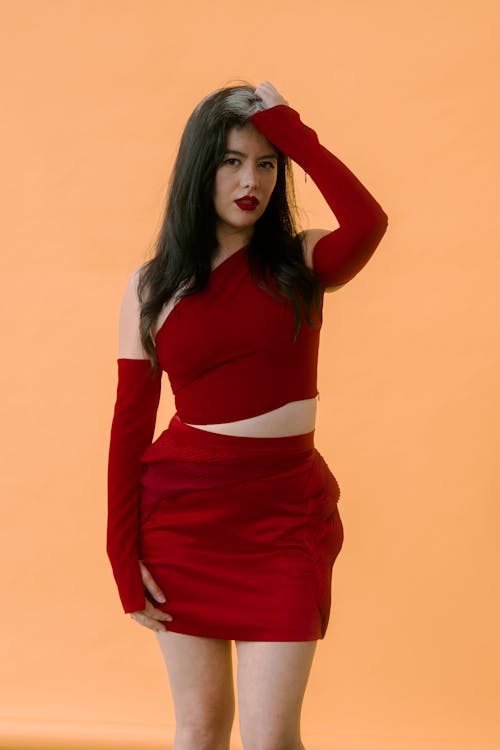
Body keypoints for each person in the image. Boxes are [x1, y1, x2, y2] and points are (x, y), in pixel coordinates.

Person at [107, 80, 388, 750]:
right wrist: (121, 554)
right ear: (202, 170)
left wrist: (289, 129)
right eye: (232, 161)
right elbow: (128, 429)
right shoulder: (152, 288)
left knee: (270, 736)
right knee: (200, 729)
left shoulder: (302, 261)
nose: (250, 180)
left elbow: (369, 223)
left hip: (284, 518)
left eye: (266, 164)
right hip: (184, 519)